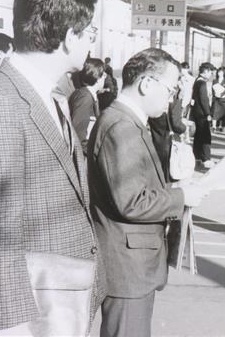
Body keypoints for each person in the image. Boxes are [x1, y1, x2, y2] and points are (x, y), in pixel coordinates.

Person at [0, 0, 104, 335]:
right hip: (35, 309)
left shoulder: (50, 95)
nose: (92, 43)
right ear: (71, 37)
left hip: (63, 295)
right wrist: (14, 326)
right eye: (90, 33)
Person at [87, 48, 206, 337]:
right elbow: (131, 201)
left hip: (132, 264)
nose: (173, 97)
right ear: (146, 84)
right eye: (171, 88)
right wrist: (181, 197)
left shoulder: (127, 122)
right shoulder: (121, 126)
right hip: (127, 267)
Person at [69, 58, 106, 155]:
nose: (105, 77)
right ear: (98, 78)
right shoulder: (85, 97)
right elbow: (78, 136)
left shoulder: (87, 95)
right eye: (104, 74)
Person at [148, 88, 186, 183]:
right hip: (168, 144)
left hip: (157, 144)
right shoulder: (172, 103)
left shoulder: (152, 106)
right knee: (169, 174)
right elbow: (175, 123)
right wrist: (184, 128)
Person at [190, 62, 215, 168]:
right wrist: (208, 113)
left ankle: (197, 157)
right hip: (202, 114)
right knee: (205, 136)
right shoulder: (202, 83)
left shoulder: (197, 81)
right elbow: (204, 100)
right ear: (206, 71)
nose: (211, 75)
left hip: (196, 112)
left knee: (198, 136)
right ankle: (206, 158)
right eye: (211, 72)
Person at [211, 66, 225, 131]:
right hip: (216, 99)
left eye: (221, 72)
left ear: (224, 73)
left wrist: (221, 94)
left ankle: (221, 126)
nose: (219, 73)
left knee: (222, 113)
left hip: (223, 99)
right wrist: (214, 95)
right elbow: (212, 89)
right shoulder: (214, 80)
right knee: (215, 112)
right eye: (219, 72)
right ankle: (214, 126)